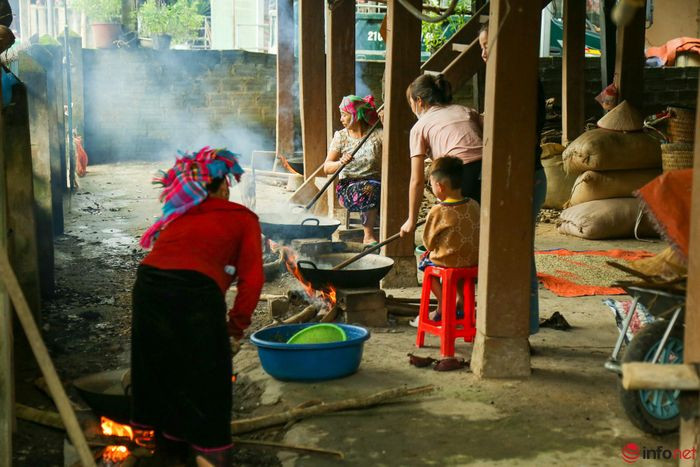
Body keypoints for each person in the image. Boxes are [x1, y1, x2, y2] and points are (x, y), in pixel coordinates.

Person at [132, 147, 264, 467]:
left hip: (149, 285)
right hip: (196, 292)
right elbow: (253, 281)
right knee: (209, 375)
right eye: (227, 186)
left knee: (163, 367)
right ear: (221, 186)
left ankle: (169, 446)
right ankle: (208, 453)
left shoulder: (178, 213)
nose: (229, 191)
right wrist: (235, 328)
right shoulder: (243, 218)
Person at [479, 22, 547, 335]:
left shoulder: (519, 83)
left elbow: (516, 138)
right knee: (513, 252)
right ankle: (515, 324)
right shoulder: (507, 81)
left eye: (486, 46)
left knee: (518, 253)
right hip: (514, 180)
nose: (483, 53)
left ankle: (520, 327)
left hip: (524, 179)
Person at [399, 74, 483, 238]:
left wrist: (411, 219)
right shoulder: (466, 110)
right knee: (479, 224)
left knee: (456, 230)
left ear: (420, 101)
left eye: (411, 103)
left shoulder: (419, 127)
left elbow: (416, 180)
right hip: (491, 168)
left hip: (461, 175)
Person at [412, 156, 480, 325]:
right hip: (472, 259)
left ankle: (443, 305)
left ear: (440, 186)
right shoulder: (474, 204)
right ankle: (461, 300)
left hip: (448, 261)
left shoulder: (438, 210)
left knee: (425, 262)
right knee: (458, 265)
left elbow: (428, 243)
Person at [324, 95, 383, 245]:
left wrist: (385, 124)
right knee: (371, 188)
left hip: (377, 183)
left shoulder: (378, 135)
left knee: (378, 188)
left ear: (357, 115)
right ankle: (368, 236)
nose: (341, 119)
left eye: (344, 114)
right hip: (348, 187)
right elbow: (327, 168)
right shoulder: (341, 137)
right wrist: (340, 162)